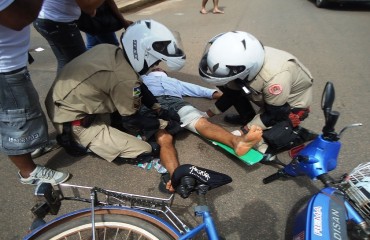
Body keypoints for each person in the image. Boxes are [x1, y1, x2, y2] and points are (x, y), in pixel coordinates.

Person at [45, 19, 186, 192]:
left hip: (64, 103)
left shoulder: (112, 50)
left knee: (131, 114)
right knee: (149, 148)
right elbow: (131, 121)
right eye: (155, 62)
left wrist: (158, 108)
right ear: (143, 55)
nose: (155, 66)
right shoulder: (124, 79)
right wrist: (163, 124)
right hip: (72, 123)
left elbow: (140, 86)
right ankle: (81, 143)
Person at [199, 31, 315, 155]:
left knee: (263, 144)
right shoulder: (247, 58)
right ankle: (247, 118)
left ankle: (298, 135)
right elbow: (232, 94)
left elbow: (273, 114)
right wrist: (206, 114)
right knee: (233, 88)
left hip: (289, 104)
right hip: (269, 98)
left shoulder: (276, 79)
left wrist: (240, 133)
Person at [0, 0, 70, 185]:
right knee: (15, 120)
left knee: (26, 112)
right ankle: (28, 172)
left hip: (11, 62)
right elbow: (20, 18)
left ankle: (33, 144)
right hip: (4, 68)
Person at [140, 68, 263, 157]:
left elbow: (197, 89)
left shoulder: (174, 81)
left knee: (199, 122)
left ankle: (237, 142)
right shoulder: (142, 78)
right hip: (151, 103)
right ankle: (174, 175)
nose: (158, 68)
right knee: (164, 136)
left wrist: (225, 95)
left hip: (172, 102)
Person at [33, 0, 105, 74]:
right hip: (59, 23)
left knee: (65, 62)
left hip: (43, 20)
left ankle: (61, 85)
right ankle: (70, 85)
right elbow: (88, 8)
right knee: (81, 64)